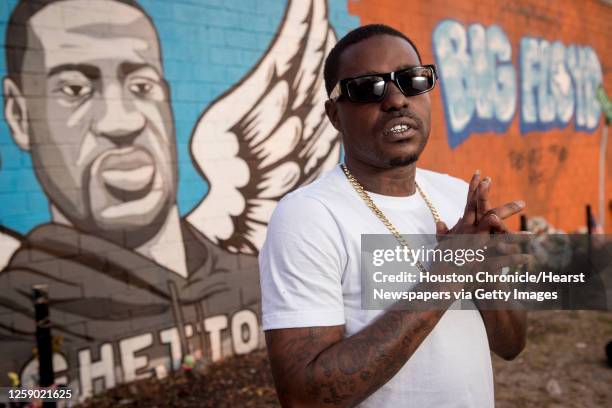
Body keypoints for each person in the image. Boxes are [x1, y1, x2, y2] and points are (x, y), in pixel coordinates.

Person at [260, 24, 528, 407]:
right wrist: (449, 275)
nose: (397, 99)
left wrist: (486, 278)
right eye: (369, 88)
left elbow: (512, 346)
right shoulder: (308, 217)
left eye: (412, 80)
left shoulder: (457, 196)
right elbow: (304, 396)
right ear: (335, 114)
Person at [0, 0, 260, 394]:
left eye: (142, 86)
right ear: (19, 116)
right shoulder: (14, 313)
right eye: (74, 89)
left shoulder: (251, 277)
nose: (122, 121)